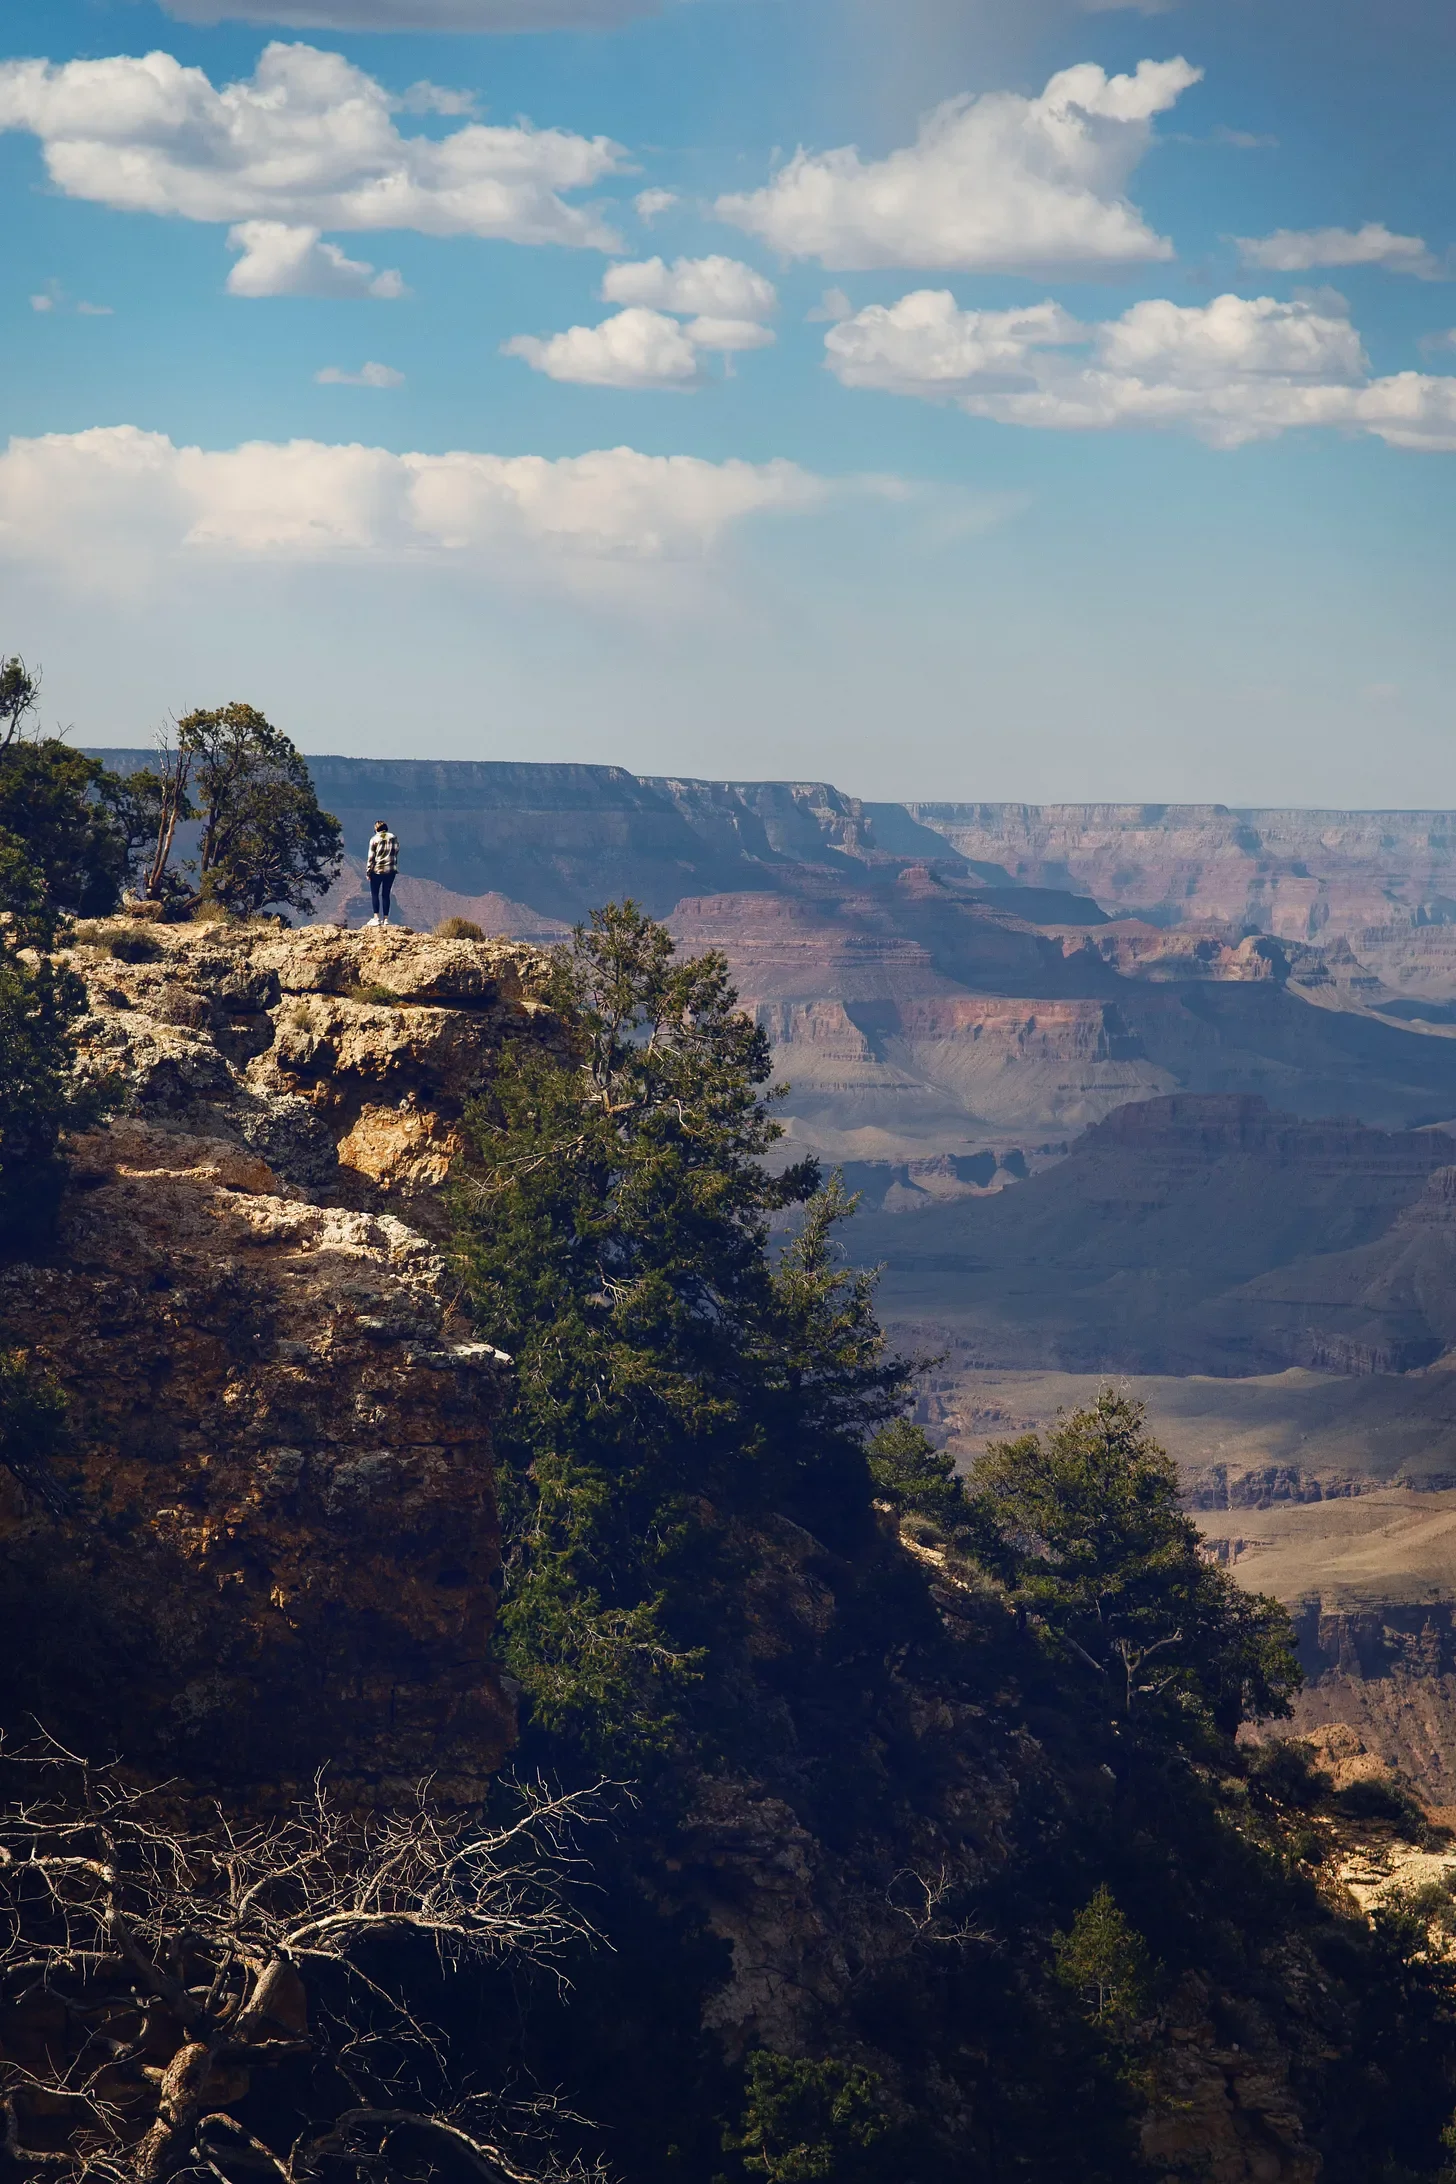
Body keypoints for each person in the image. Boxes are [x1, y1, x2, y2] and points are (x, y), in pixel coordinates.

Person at [365, 819, 398, 928]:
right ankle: (386, 919)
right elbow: (396, 850)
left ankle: (376, 918)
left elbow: (371, 857)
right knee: (386, 894)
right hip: (391, 869)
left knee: (375, 893)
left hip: (377, 870)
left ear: (376, 829)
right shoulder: (393, 837)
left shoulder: (374, 839)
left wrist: (368, 871)